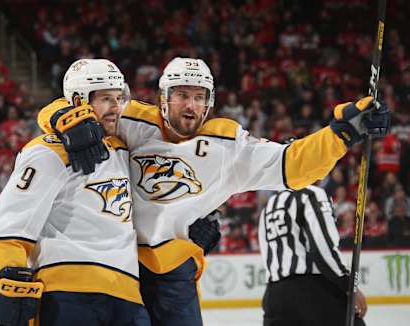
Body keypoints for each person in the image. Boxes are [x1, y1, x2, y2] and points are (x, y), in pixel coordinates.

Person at [37, 57, 390, 325]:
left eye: (198, 96)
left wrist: (341, 134)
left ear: (208, 102)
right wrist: (60, 119)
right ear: (163, 98)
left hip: (175, 274)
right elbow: (74, 102)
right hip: (121, 268)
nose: (189, 105)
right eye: (181, 95)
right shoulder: (134, 120)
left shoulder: (228, 146)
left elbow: (294, 164)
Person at [0, 59, 151, 326]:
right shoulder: (47, 151)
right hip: (67, 294)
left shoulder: (124, 146)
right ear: (78, 100)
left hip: (128, 296)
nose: (116, 108)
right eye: (106, 98)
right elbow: (7, 228)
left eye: (119, 98)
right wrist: (11, 275)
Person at [258, 182, 367, 326]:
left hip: (275, 296)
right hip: (313, 291)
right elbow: (323, 248)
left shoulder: (268, 207)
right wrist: (347, 284)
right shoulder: (311, 194)